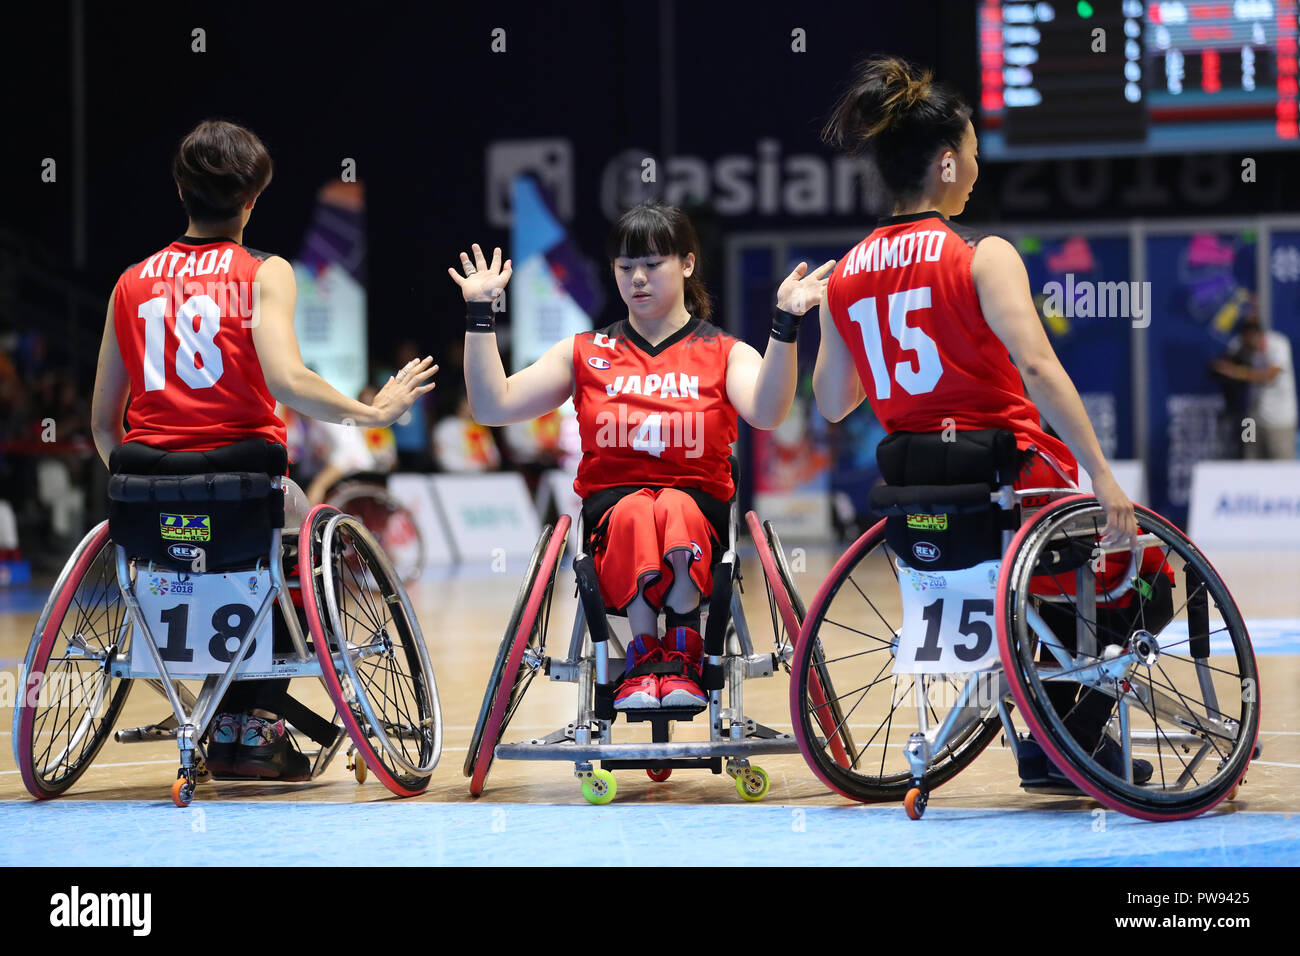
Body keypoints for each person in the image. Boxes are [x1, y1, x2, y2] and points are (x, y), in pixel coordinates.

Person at [810, 56, 1152, 789]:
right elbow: (1038, 369)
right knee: (1148, 563)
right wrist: (1102, 476)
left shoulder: (846, 274)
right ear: (943, 162)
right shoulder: (982, 255)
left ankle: (1049, 726)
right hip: (1012, 473)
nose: (975, 169)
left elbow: (832, 402)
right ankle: (1071, 738)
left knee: (1048, 575)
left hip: (919, 493)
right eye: (969, 155)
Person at [89, 119, 436, 780]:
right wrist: (372, 411)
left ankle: (222, 715)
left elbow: (105, 423)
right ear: (252, 200)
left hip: (146, 503)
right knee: (296, 538)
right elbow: (286, 379)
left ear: (180, 190)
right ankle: (253, 724)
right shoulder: (264, 272)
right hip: (245, 492)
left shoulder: (130, 282)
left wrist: (145, 483)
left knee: (236, 537)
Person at [453, 202, 830, 710]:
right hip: (612, 522)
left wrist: (785, 323)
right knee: (635, 509)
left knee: (671, 506)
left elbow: (768, 411)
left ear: (688, 264)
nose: (638, 278)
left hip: (699, 519)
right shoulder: (584, 351)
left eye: (653, 264)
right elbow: (493, 405)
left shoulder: (723, 351)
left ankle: (682, 648)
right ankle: (642, 654)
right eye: (625, 266)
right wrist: (480, 316)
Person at [1212, 317, 1298, 460]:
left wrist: (1236, 372)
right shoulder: (1242, 345)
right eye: (1246, 342)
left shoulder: (1279, 344)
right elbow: (1224, 363)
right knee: (1249, 466)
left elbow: (1270, 376)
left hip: (1280, 421)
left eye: (1252, 341)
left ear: (1260, 335)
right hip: (1251, 421)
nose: (1250, 346)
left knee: (1282, 472)